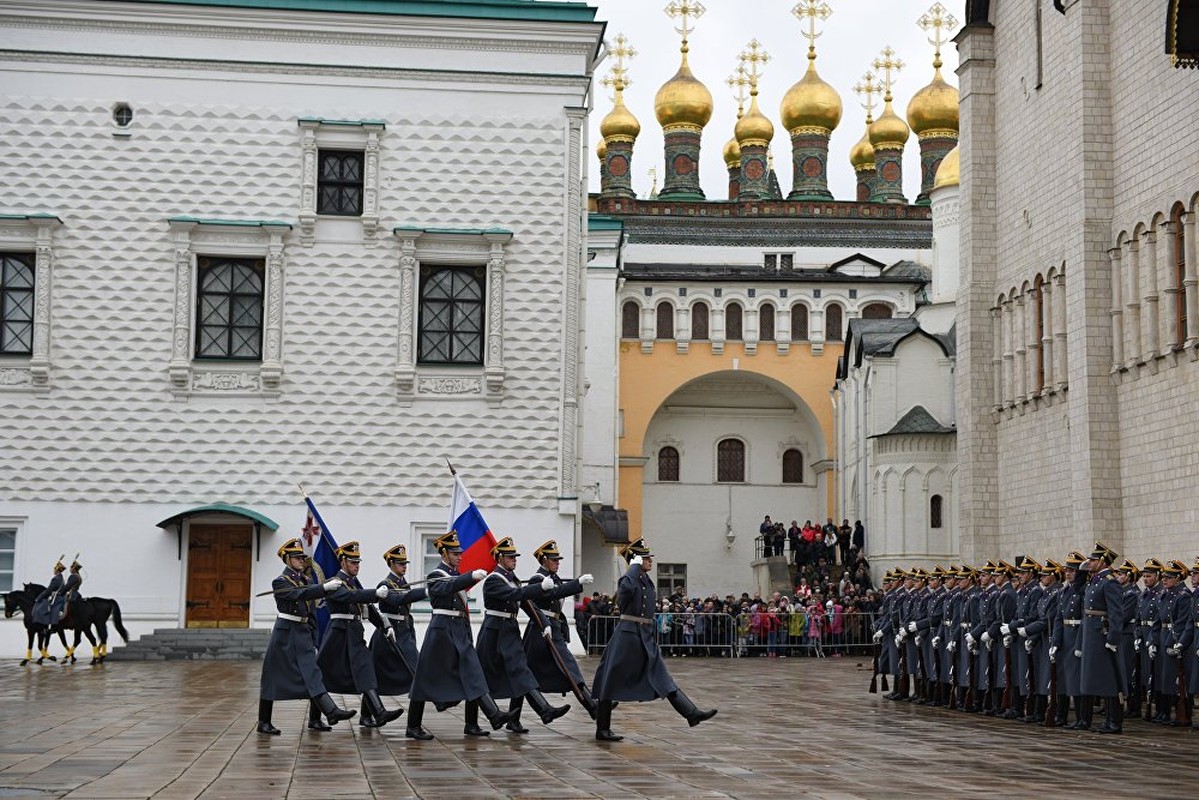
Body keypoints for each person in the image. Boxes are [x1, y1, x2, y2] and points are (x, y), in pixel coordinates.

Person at [590, 538, 717, 741]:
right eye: (646, 557)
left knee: (662, 676)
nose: (650, 561)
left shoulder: (645, 581)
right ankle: (602, 729)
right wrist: (632, 568)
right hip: (627, 636)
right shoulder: (628, 580)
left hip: (645, 636)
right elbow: (624, 596)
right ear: (637, 560)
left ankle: (691, 713)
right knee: (610, 681)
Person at [407, 530, 515, 739]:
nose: (460, 556)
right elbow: (446, 587)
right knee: (424, 680)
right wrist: (469, 576)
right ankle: (412, 726)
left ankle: (487, 718)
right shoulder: (436, 575)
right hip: (441, 632)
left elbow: (457, 592)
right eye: (455, 553)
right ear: (444, 554)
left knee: (473, 671)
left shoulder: (455, 576)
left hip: (458, 629)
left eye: (460, 553)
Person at [256, 538, 355, 735]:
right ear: (287, 560)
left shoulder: (305, 580)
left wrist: (313, 635)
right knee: (272, 677)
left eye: (302, 557)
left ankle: (327, 713)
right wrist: (323, 589)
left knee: (312, 672)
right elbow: (299, 595)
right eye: (297, 558)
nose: (302, 560)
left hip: (302, 632)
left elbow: (310, 609)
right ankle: (263, 721)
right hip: (285, 633)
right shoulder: (281, 582)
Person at [476, 536, 570, 734]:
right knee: (479, 677)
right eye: (510, 557)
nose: (514, 560)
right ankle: (471, 723)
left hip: (509, 631)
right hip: (493, 632)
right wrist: (538, 588)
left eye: (515, 557)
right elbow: (515, 596)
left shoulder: (513, 580)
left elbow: (528, 605)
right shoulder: (494, 580)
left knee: (521, 670)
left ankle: (544, 710)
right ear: (500, 558)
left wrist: (544, 623)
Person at [313, 541, 403, 730]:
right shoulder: (334, 582)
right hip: (338, 633)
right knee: (323, 675)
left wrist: (383, 626)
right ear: (343, 562)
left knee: (365, 668)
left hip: (353, 632)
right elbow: (350, 597)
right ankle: (314, 718)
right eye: (353, 563)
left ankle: (378, 712)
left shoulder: (353, 583)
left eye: (358, 563)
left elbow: (366, 608)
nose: (357, 566)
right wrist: (375, 594)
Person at [522, 539, 598, 719]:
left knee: (570, 668)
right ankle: (515, 719)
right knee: (525, 674)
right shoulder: (537, 579)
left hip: (553, 630)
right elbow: (553, 594)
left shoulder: (553, 579)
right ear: (544, 561)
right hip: (538, 631)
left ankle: (592, 706)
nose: (558, 563)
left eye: (558, 560)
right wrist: (576, 583)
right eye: (554, 560)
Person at [367, 544, 427, 730]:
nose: (404, 566)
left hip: (403, 632)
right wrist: (426, 591)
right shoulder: (385, 585)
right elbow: (398, 599)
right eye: (400, 564)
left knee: (418, 674)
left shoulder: (403, 583)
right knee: (374, 677)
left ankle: (413, 725)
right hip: (388, 634)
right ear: (391, 564)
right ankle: (367, 715)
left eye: (405, 563)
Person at [1077, 541, 1125, 734]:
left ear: (1103, 562)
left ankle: (1114, 722)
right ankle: (1108, 721)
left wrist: (1113, 639)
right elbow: (1078, 591)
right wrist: (1082, 569)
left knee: (1110, 680)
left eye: (1093, 559)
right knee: (1100, 679)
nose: (1089, 562)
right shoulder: (1094, 581)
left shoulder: (1110, 582)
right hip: (1092, 636)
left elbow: (1116, 613)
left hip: (1102, 636)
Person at [1155, 559, 1192, 726]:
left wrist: (1171, 643)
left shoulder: (1183, 596)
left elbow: (1181, 622)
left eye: (1169, 577)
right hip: (1165, 637)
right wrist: (1152, 641)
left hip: (1176, 640)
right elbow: (1158, 620)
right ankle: (1164, 713)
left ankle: (1182, 714)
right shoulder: (1166, 594)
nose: (1164, 580)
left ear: (1178, 578)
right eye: (1163, 577)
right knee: (1166, 678)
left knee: (1178, 681)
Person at [1135, 558, 1163, 719]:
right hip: (1144, 635)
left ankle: (1160, 709)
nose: (1146, 579)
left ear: (1157, 576)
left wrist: (1153, 639)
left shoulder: (1160, 594)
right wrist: (1138, 636)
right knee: (1146, 674)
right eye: (1144, 576)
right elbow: (1138, 619)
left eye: (1149, 576)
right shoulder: (1143, 594)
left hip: (1156, 635)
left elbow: (1159, 619)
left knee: (1157, 674)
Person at [32, 556, 66, 629]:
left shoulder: (56, 579)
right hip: (60, 597)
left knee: (40, 608)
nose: (53, 570)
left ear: (57, 570)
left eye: (54, 569)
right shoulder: (61, 578)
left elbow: (48, 590)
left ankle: (44, 625)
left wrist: (38, 598)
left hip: (56, 598)